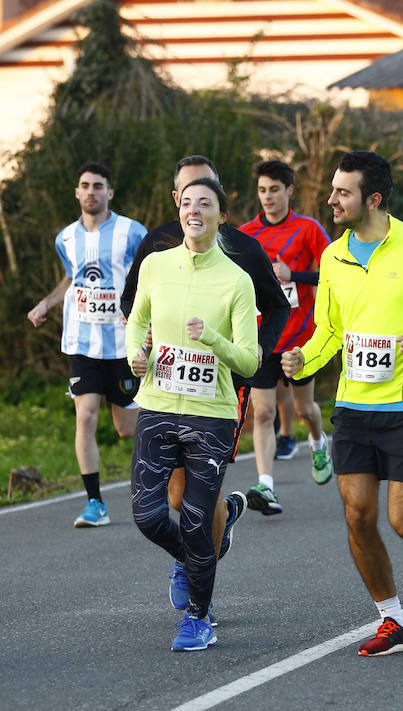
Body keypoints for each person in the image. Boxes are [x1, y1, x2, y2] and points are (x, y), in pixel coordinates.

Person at [281, 151, 403, 656]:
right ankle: (393, 619)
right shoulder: (333, 257)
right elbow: (329, 330)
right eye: (332, 190)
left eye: (342, 192)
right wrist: (302, 359)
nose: (331, 200)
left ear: (373, 198)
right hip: (352, 405)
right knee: (357, 515)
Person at [120, 155, 289, 620]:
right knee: (171, 500)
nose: (193, 202)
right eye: (185, 193)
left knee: (197, 499)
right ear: (176, 199)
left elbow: (278, 308)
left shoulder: (242, 251)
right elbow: (130, 302)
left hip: (222, 388)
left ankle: (197, 578)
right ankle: (194, 554)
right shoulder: (156, 246)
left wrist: (246, 365)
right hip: (163, 388)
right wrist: (143, 343)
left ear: (219, 201)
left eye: (204, 192)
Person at [27, 162, 146, 528]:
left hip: (123, 343)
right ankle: (95, 503)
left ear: (110, 193)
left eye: (98, 186)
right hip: (81, 341)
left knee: (128, 428)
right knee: (86, 415)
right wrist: (47, 303)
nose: (91, 191)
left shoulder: (132, 232)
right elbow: (70, 278)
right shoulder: (65, 238)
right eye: (84, 185)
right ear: (77, 193)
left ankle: (175, 445)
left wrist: (142, 314)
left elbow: (147, 276)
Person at [240, 160, 333, 514]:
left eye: (274, 190)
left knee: (304, 409)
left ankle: (316, 440)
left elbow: (331, 273)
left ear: (289, 191)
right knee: (262, 414)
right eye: (262, 190)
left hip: (301, 337)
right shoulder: (247, 234)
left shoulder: (307, 228)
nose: (268, 197)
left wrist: (293, 273)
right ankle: (266, 486)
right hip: (264, 338)